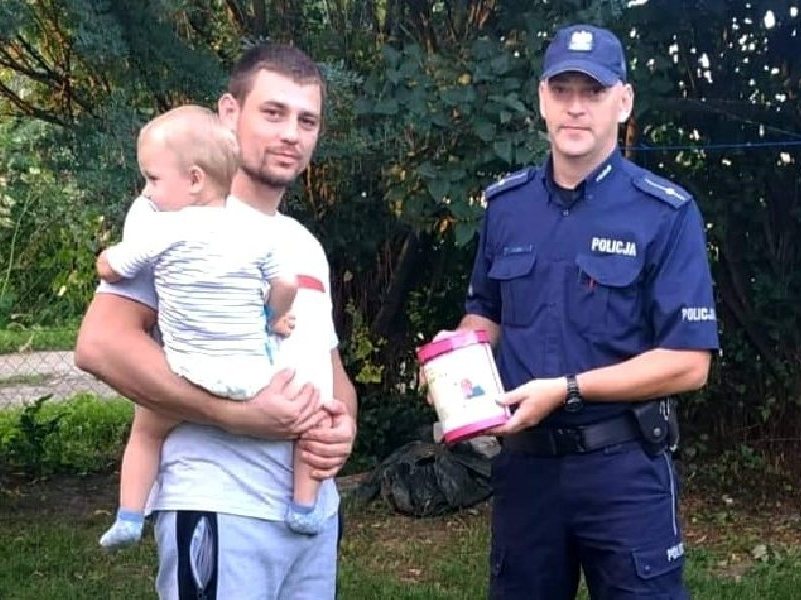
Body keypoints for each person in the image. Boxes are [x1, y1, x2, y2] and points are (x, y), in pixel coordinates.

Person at [75, 44, 357, 599]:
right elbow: (101, 343)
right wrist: (234, 414)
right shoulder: (171, 217)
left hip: (312, 518)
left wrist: (342, 430)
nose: (291, 134)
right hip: (220, 506)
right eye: (272, 113)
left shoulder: (302, 243)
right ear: (230, 113)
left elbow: (332, 374)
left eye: (307, 121)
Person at [454, 24, 718, 599]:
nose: (576, 107)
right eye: (562, 90)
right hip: (526, 472)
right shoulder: (506, 207)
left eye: (593, 92)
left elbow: (689, 363)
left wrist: (568, 389)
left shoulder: (664, 213)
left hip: (623, 471)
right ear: (541, 99)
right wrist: (453, 365)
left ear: (623, 102)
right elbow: (485, 315)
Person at [95, 105, 330, 549]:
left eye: (153, 180)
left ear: (195, 179)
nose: (147, 192)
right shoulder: (257, 234)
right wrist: (274, 318)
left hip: (187, 371)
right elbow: (285, 285)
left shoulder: (160, 230)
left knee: (145, 432)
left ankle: (129, 516)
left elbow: (114, 266)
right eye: (273, 113)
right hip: (249, 380)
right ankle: (303, 506)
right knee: (310, 415)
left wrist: (106, 259)